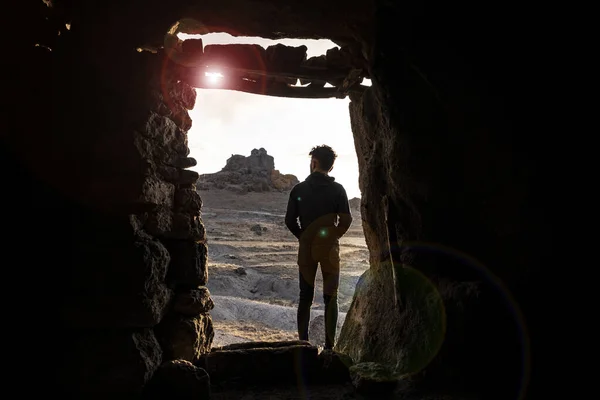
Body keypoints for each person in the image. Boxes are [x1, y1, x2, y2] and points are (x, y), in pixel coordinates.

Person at [285, 145, 353, 350]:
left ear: (314, 162)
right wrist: (333, 236)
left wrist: (303, 237)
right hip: (330, 250)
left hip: (306, 250)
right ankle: (330, 348)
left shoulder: (299, 190)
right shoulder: (338, 189)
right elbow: (346, 220)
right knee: (331, 297)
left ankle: (304, 344)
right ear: (330, 167)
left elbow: (289, 220)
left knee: (305, 296)